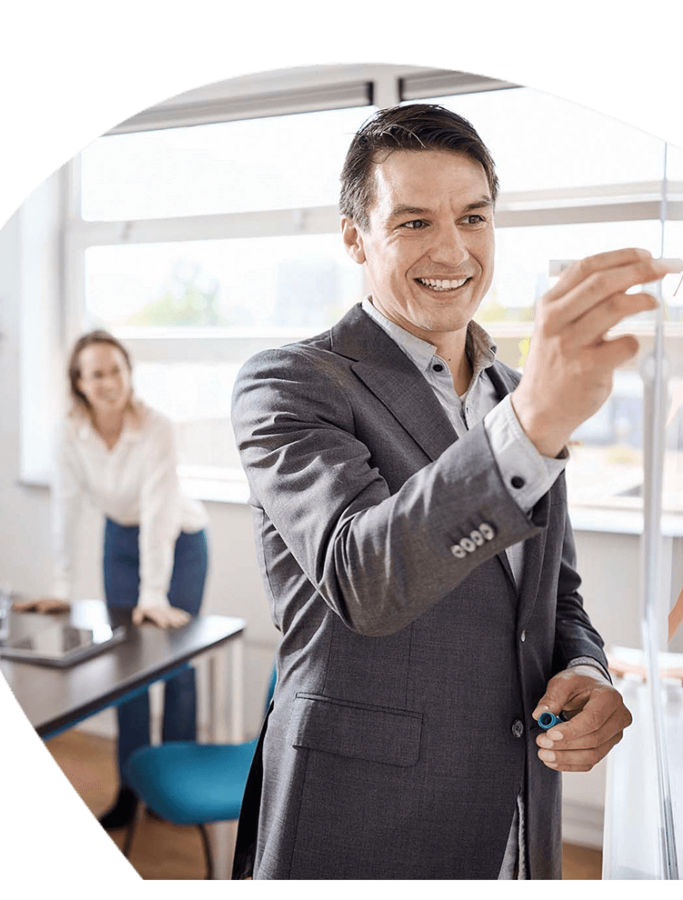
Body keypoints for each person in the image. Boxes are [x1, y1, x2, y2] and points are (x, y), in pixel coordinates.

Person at [229, 104, 675, 881]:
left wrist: (590, 672)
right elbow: (363, 577)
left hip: (515, 819)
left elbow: (554, 596)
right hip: (361, 822)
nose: (453, 249)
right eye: (412, 223)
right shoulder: (291, 384)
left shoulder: (515, 393)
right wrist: (535, 421)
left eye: (474, 217)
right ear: (353, 237)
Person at [51, 329, 210, 828]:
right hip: (118, 542)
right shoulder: (69, 432)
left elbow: (159, 511)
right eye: (96, 373)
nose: (109, 381)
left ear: (128, 373)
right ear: (79, 382)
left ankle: (174, 791)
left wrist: (153, 593)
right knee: (128, 672)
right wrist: (60, 589)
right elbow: (65, 509)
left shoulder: (157, 428)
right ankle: (131, 788)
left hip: (179, 542)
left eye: (116, 370)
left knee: (174, 666)